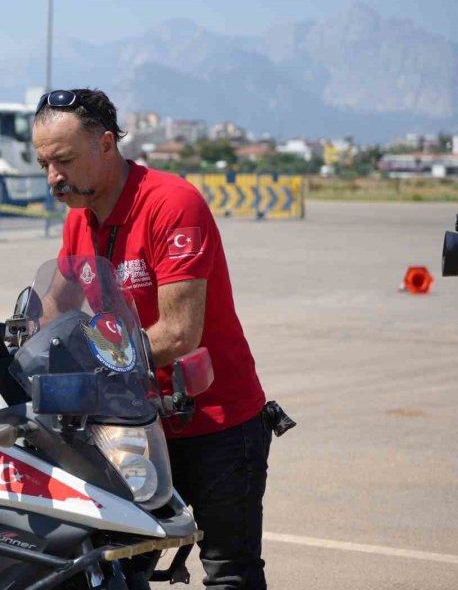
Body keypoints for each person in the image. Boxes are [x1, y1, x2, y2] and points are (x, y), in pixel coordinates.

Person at [33, 88, 280, 589]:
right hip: (134, 422)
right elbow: (55, 307)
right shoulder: (80, 215)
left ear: (106, 144)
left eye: (63, 160)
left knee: (230, 572)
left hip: (215, 421)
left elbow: (178, 333)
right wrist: (16, 350)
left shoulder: (171, 203)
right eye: (43, 164)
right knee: (114, 565)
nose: (53, 179)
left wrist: (89, 368)